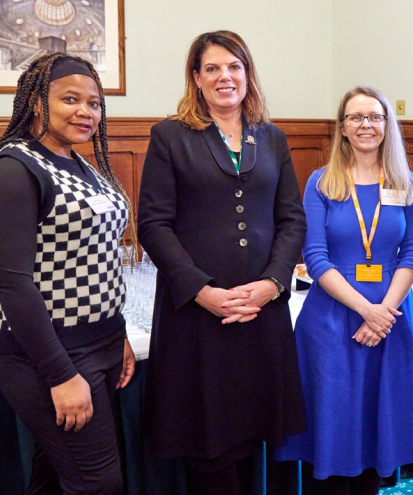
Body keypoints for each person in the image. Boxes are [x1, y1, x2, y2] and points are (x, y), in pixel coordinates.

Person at [137, 30, 307, 495]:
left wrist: (273, 283)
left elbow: (291, 219)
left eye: (234, 66)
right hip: (197, 316)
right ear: (196, 78)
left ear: (248, 75)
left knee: (254, 435)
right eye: (211, 68)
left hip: (260, 312)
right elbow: (152, 224)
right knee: (207, 445)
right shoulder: (170, 136)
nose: (224, 76)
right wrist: (200, 290)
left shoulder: (271, 138)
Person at [0, 52, 136, 495]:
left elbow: (95, 260)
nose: (86, 112)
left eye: (95, 103)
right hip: (47, 355)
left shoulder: (78, 163)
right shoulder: (14, 168)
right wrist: (60, 374)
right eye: (70, 99)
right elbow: (12, 284)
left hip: (98, 345)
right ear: (38, 102)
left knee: (57, 473)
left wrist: (115, 336)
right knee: (98, 483)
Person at [274, 85, 413, 494]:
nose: (366, 125)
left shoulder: (405, 181)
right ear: (342, 127)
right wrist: (368, 311)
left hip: (391, 321)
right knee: (333, 428)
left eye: (375, 117)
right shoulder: (321, 183)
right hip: (332, 322)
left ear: (387, 124)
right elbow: (315, 257)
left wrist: (383, 314)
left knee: (378, 434)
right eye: (356, 117)